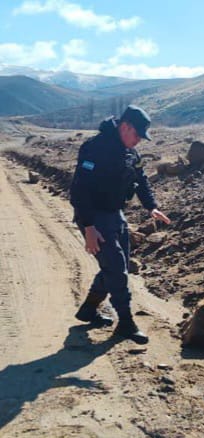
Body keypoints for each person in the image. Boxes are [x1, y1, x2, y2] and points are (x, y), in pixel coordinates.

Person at [70, 105, 170, 344]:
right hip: (95, 216)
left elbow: (140, 179)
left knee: (118, 265)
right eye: (136, 135)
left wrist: (151, 206)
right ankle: (125, 322)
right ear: (125, 126)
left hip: (116, 214)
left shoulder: (129, 152)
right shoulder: (95, 148)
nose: (138, 141)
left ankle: (88, 310)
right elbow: (79, 191)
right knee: (116, 269)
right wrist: (89, 227)